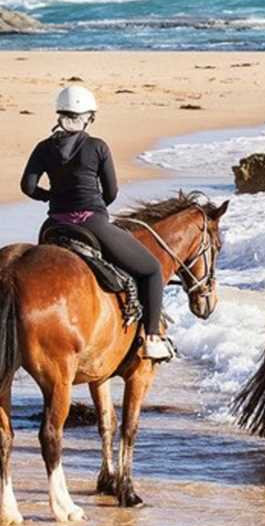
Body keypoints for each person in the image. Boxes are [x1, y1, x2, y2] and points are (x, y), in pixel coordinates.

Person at [20, 85, 173, 361]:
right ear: (89, 117)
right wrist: (92, 207)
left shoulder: (43, 148)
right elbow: (111, 192)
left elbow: (28, 187)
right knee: (151, 269)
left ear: (59, 115)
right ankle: (152, 339)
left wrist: (52, 197)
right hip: (91, 223)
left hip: (53, 226)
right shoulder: (97, 146)